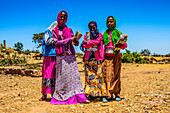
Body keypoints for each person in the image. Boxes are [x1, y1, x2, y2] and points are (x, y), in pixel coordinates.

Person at [50, 10, 89, 105]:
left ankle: (79, 96)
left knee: (74, 77)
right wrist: (69, 40)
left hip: (70, 55)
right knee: (63, 78)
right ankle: (63, 96)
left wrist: (75, 41)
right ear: (58, 17)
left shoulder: (69, 29)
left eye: (64, 17)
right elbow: (56, 43)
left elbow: (74, 43)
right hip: (61, 57)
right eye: (61, 16)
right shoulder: (54, 31)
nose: (62, 18)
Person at [103, 16, 128, 101]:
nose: (110, 23)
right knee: (107, 76)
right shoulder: (104, 34)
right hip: (107, 57)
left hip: (117, 57)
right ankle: (107, 95)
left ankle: (116, 94)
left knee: (116, 76)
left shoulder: (118, 33)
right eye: (108, 22)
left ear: (114, 22)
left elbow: (125, 45)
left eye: (111, 22)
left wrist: (120, 45)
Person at [82, 21, 108, 103]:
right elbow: (84, 45)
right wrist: (88, 44)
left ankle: (102, 95)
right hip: (88, 58)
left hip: (98, 58)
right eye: (90, 27)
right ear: (88, 27)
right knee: (89, 77)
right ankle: (90, 94)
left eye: (94, 27)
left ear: (96, 27)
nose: (92, 29)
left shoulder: (100, 35)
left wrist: (88, 43)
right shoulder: (86, 35)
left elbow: (97, 41)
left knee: (99, 76)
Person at [39, 21, 58, 101]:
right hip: (48, 57)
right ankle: (44, 94)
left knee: (54, 74)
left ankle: (54, 93)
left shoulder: (56, 34)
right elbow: (47, 41)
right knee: (47, 74)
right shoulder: (47, 32)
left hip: (55, 56)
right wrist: (56, 41)